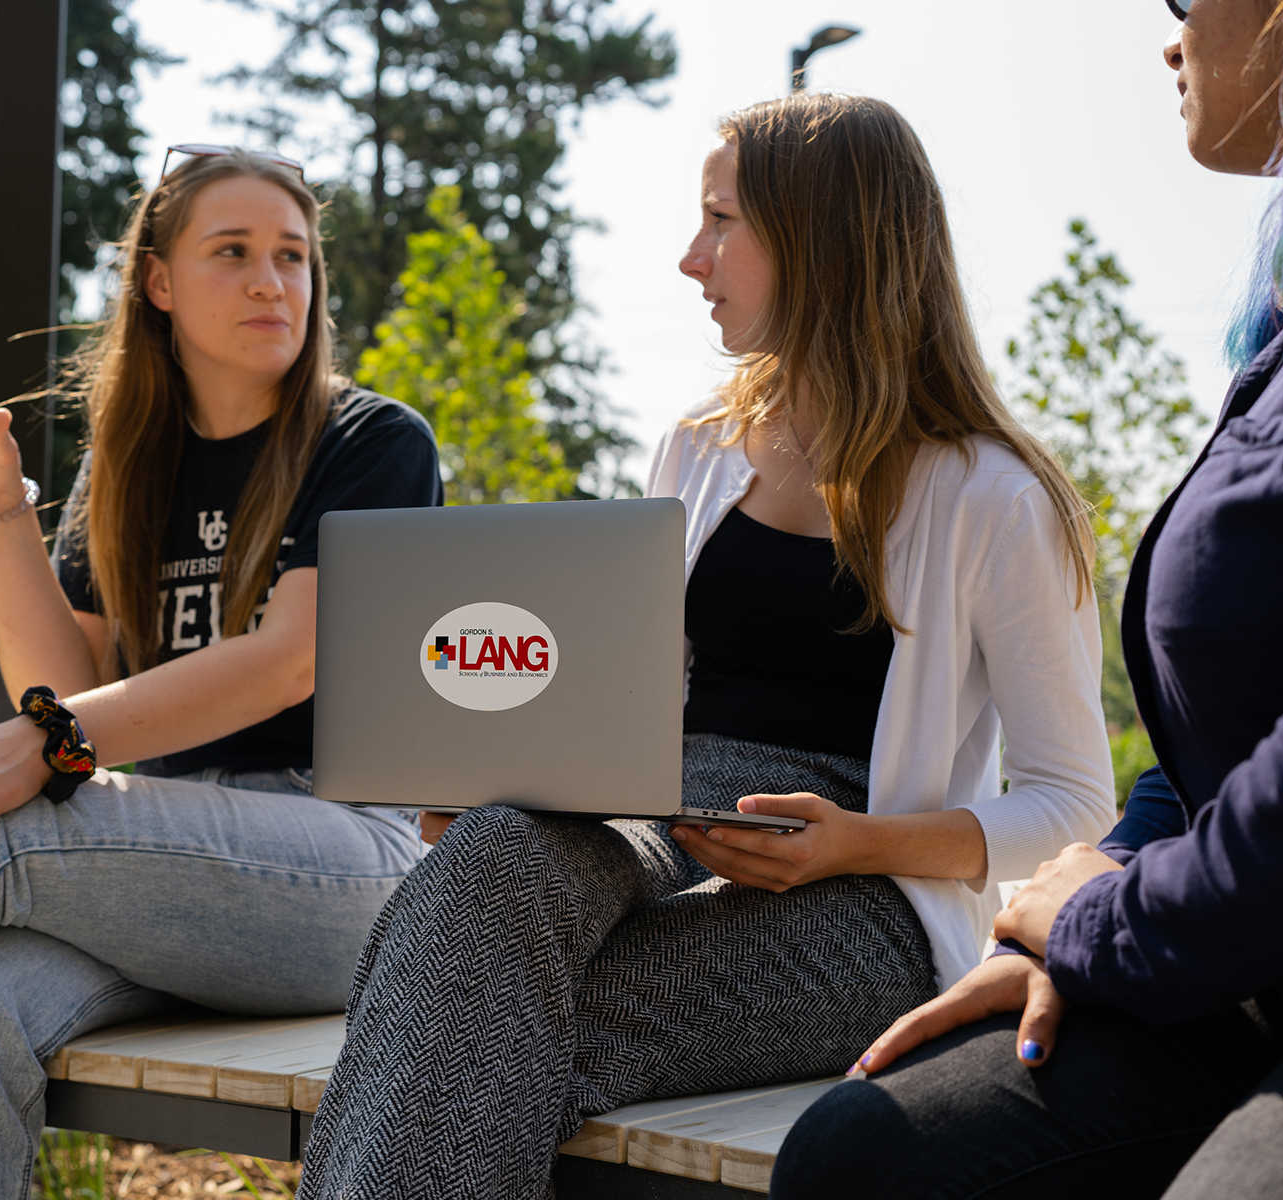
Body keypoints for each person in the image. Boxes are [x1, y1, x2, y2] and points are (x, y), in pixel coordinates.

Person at [296, 93, 1116, 1200]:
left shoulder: (995, 498)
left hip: (869, 896)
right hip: (666, 804)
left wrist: (853, 844)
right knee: (483, 871)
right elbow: (632, 703)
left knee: (462, 1018)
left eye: (721, 222)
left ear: (825, 240)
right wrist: (517, 776)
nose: (691, 259)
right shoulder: (694, 446)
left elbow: (1073, 808)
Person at [770, 4, 1283, 1198]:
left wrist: (1091, 926)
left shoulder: (991, 496)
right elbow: (1213, 735)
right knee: (862, 1153)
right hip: (1246, 945)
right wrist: (1108, 880)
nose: (1166, 38)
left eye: (721, 222)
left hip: (1249, 923)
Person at [0, 146, 441, 1200]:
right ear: (159, 282)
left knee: (4, 826)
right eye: (235, 251)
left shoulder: (371, 441)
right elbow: (66, 689)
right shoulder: (124, 470)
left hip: (349, 859)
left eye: (294, 256)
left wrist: (37, 745)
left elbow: (289, 662)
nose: (274, 280)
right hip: (159, 866)